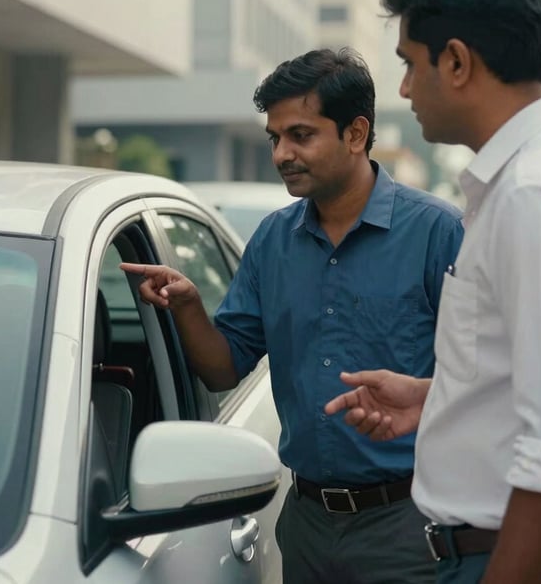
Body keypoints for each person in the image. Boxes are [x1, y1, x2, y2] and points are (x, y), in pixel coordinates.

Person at [122, 48, 463, 584]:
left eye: (300, 136)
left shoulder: (438, 233)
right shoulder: (272, 241)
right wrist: (187, 306)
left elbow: (491, 378)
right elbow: (223, 369)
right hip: (306, 524)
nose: (282, 154)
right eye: (274, 138)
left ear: (356, 133)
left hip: (409, 525)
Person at [324, 0, 541, 583]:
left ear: (458, 62)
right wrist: (441, 399)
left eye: (410, 64)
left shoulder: (534, 196)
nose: (405, 88)